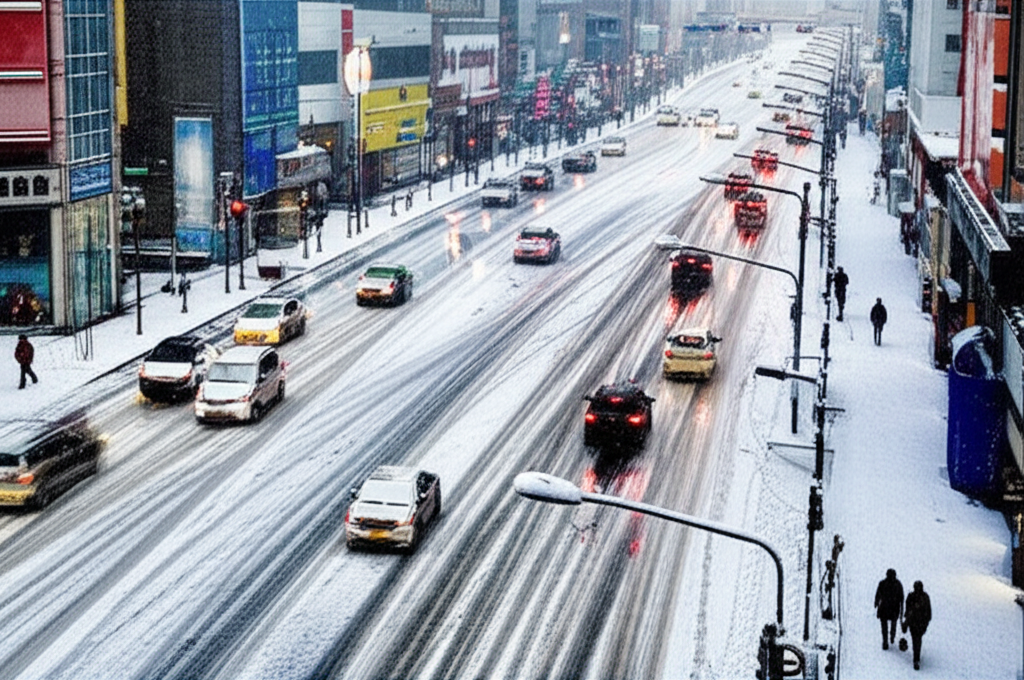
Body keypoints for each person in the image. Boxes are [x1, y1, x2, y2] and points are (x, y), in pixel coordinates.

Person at [904, 580, 932, 670]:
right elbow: (929, 612)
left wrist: (907, 620)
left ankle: (916, 658)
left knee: (915, 640)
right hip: (919, 623)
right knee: (917, 640)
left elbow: (908, 610)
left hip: (915, 622)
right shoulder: (924, 597)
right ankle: (916, 658)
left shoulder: (912, 596)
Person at [874, 568, 904, 650]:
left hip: (884, 608)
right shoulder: (898, 584)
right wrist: (901, 611)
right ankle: (891, 637)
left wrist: (876, 603)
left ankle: (885, 641)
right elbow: (901, 598)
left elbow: (878, 594)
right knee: (893, 624)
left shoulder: (883, 583)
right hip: (894, 609)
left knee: (884, 627)